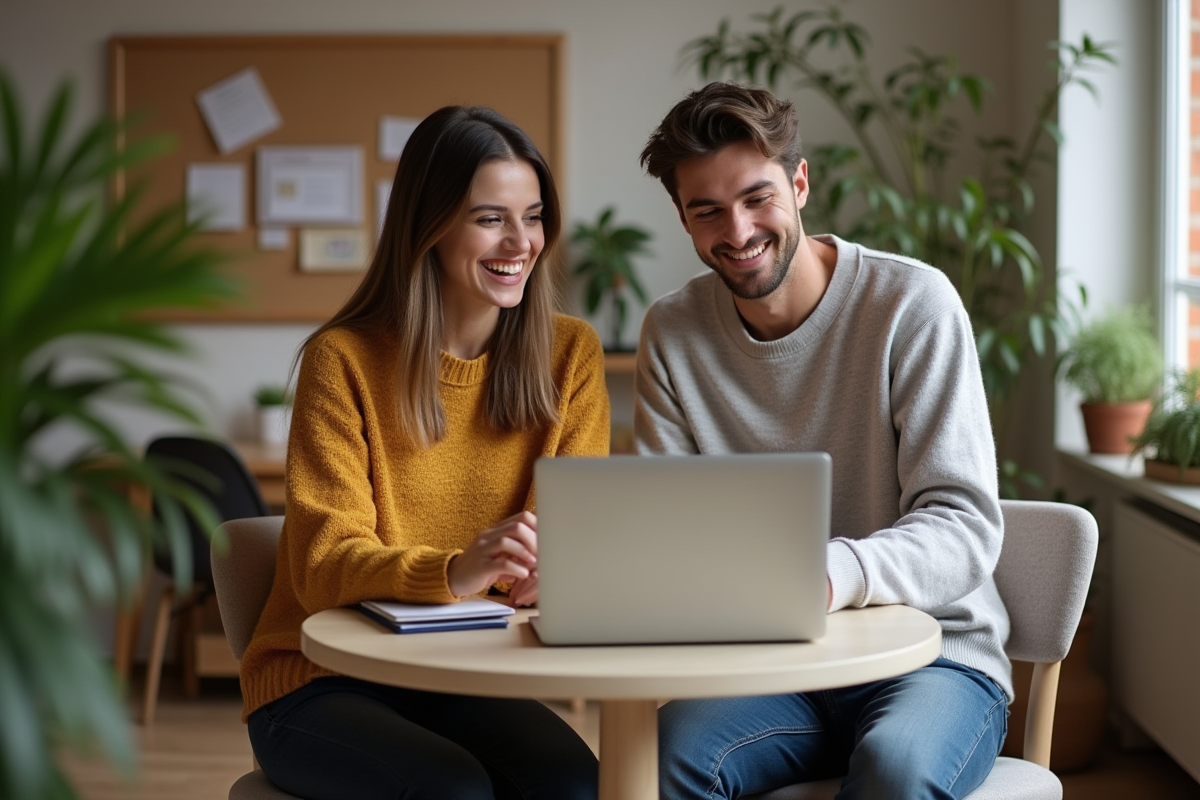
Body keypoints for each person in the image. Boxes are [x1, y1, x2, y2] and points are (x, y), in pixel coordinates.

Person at [636, 82, 1010, 799]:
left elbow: (964, 526)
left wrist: (830, 575)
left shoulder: (912, 304)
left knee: (895, 772)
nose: (738, 230)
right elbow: (667, 531)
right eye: (706, 210)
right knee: (660, 765)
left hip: (931, 657)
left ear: (800, 182)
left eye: (757, 198)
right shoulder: (673, 331)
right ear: (683, 219)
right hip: (767, 671)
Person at [239, 105, 609, 800]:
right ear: (429, 224)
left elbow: (564, 541)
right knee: (452, 790)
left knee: (575, 785)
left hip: (467, 675)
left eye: (532, 216)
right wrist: (457, 568)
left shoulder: (571, 356)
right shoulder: (342, 360)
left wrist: (558, 570)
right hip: (319, 684)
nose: (520, 241)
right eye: (489, 218)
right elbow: (322, 565)